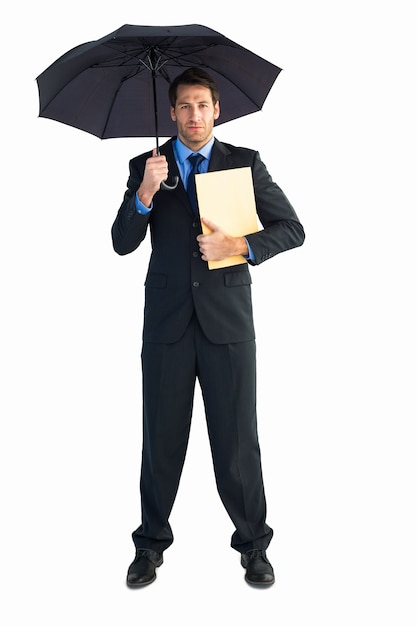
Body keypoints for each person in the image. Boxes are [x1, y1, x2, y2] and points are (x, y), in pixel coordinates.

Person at [111, 67, 305, 587]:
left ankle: (254, 546)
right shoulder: (145, 166)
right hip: (167, 328)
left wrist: (240, 246)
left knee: (238, 440)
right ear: (171, 113)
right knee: (161, 440)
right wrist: (144, 195)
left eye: (203, 106)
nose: (194, 115)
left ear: (217, 111)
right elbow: (122, 242)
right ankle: (149, 546)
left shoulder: (244, 164)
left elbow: (293, 228)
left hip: (228, 326)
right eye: (185, 107)